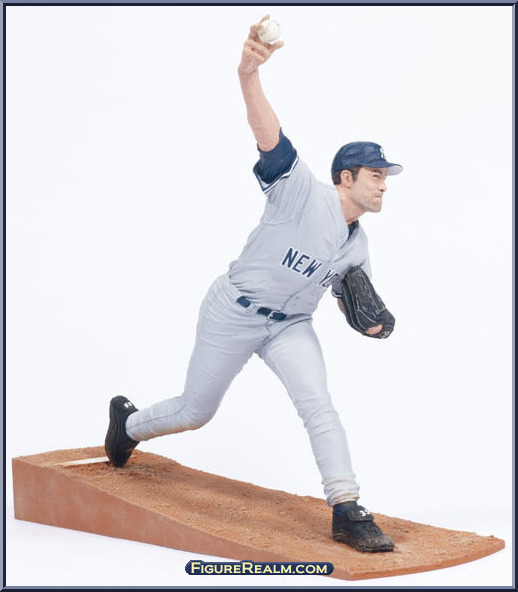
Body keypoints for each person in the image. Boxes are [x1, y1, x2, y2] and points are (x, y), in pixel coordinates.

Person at [105, 15, 402, 553]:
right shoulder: (300, 190)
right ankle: (127, 427)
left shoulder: (359, 246)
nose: (384, 185)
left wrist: (376, 325)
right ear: (347, 177)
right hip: (233, 310)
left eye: (386, 176)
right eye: (376, 175)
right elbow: (269, 134)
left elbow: (352, 303)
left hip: (291, 327)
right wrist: (249, 74)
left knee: (319, 405)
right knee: (196, 412)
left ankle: (347, 507)